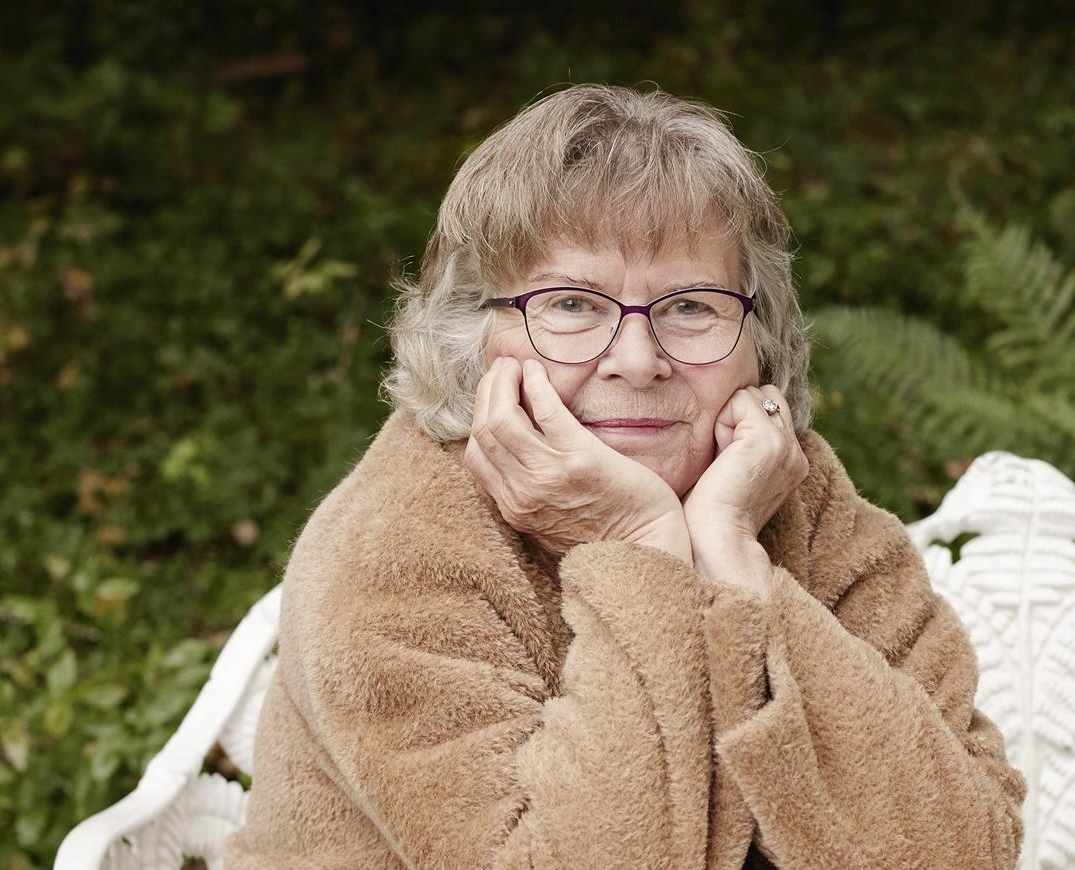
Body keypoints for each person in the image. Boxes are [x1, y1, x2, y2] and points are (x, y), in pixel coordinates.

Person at [225, 84, 1025, 869]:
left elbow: (962, 854)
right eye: (572, 305)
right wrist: (638, 548)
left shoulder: (791, 499)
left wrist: (734, 562)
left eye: (691, 307)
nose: (638, 361)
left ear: (761, 339)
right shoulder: (394, 549)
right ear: (471, 336)